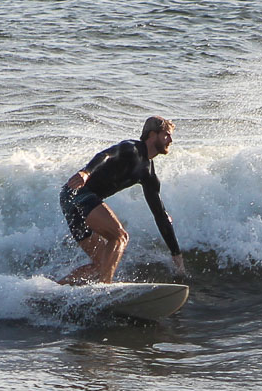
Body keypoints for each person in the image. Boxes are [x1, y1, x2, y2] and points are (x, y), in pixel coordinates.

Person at [57, 116, 186, 284]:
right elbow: (105, 155)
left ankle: (56, 291)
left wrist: (176, 254)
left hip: (73, 199)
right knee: (119, 237)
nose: (171, 140)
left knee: (102, 263)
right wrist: (86, 172)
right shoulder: (131, 149)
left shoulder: (148, 175)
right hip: (79, 192)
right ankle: (104, 289)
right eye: (166, 135)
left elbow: (160, 215)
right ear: (153, 135)